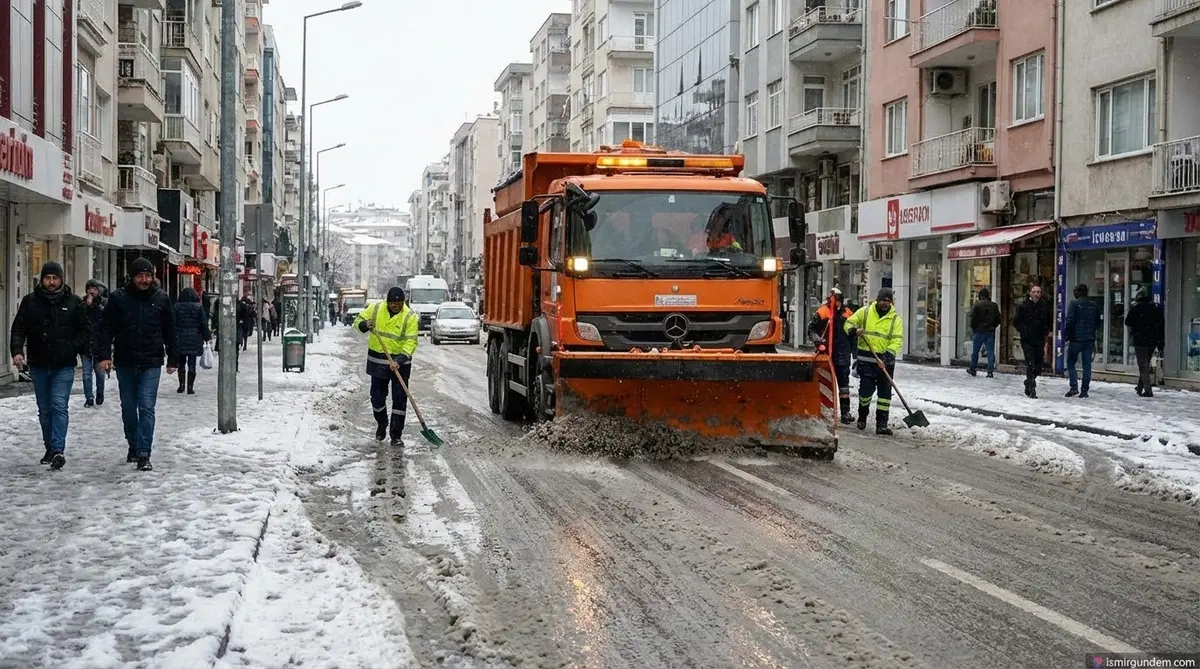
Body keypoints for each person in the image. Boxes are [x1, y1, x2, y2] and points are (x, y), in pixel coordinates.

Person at [9, 262, 90, 470]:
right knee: (45, 410)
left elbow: (85, 331)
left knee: (58, 406)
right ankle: (50, 446)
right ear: (42, 280)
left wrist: (72, 347)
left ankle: (57, 450)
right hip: (39, 364)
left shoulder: (74, 303)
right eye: (48, 278)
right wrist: (17, 351)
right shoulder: (30, 302)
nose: (51, 282)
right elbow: (18, 329)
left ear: (62, 279)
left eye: (55, 278)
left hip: (63, 365)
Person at [98, 257, 177, 471]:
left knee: (147, 406)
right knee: (129, 407)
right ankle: (133, 443)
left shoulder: (161, 299)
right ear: (132, 277)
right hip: (125, 360)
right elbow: (105, 328)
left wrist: (173, 357)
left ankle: (144, 452)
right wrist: (104, 355)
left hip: (151, 361)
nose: (144, 280)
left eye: (148, 276)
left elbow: (170, 329)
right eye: (140, 276)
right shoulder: (118, 299)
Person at [354, 286, 419, 445]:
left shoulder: (410, 316)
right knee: (377, 398)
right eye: (393, 302)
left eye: (399, 303)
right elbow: (357, 322)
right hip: (377, 362)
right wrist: (365, 324)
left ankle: (396, 435)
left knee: (399, 399)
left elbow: (411, 341)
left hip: (400, 364)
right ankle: (382, 423)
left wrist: (400, 359)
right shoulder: (375, 309)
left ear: (404, 302)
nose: (396, 305)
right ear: (387, 301)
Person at [844, 288, 904, 435]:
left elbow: (897, 339)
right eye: (883, 300)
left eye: (888, 301)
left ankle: (882, 424)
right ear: (877, 300)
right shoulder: (864, 312)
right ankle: (862, 416)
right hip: (866, 360)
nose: (885, 304)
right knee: (866, 391)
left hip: (885, 361)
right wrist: (854, 331)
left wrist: (888, 355)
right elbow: (848, 323)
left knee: (885, 394)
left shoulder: (895, 319)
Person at [809, 287, 856, 424]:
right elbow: (811, 330)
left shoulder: (848, 314)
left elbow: (853, 336)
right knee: (824, 384)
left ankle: (845, 412)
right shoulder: (822, 312)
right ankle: (825, 412)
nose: (836, 303)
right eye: (834, 300)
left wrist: (855, 354)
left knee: (844, 386)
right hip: (825, 354)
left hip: (843, 354)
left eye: (838, 300)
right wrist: (818, 341)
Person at [1012, 282, 1052, 399]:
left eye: (1038, 292)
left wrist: (1047, 330)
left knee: (1039, 365)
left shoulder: (1044, 305)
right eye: (1034, 292)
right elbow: (1016, 321)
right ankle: (1032, 389)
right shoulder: (1023, 305)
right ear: (1030, 293)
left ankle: (1029, 381)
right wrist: (1023, 330)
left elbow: (1048, 320)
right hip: (1027, 339)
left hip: (1039, 338)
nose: (1036, 294)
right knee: (1031, 363)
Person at [1125, 287, 1165, 397]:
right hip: (1152, 340)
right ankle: (1140, 387)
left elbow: (1127, 322)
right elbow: (1161, 325)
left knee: (1142, 365)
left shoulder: (1136, 308)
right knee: (1145, 364)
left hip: (1140, 340)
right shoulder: (1155, 309)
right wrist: (1161, 342)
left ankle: (1148, 390)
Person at [1063, 283, 1100, 398]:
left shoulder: (1074, 304)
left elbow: (1069, 321)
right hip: (1089, 339)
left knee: (1070, 363)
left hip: (1076, 339)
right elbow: (1098, 322)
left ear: (1078, 293)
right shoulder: (1093, 305)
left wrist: (1066, 336)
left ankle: (1074, 387)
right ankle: (1084, 390)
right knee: (1087, 365)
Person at [173, 287, 211, 394]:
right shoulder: (199, 307)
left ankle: (181, 385)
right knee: (192, 363)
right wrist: (206, 336)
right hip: (194, 338)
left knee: (181, 362)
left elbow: (173, 324)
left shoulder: (176, 307)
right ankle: (190, 387)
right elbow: (203, 324)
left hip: (180, 338)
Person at [82, 279, 108, 406]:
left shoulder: (103, 304)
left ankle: (100, 393)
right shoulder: (81, 303)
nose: (91, 291)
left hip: (99, 344)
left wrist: (95, 305)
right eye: (89, 289)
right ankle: (89, 398)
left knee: (100, 373)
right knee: (86, 373)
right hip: (85, 344)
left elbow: (105, 322)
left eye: (94, 289)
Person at [966, 287, 1001, 378]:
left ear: (980, 296)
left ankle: (973, 368)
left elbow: (972, 318)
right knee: (990, 352)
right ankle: (990, 371)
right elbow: (998, 319)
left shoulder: (977, 305)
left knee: (975, 351)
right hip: (990, 331)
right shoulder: (994, 305)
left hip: (978, 331)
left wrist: (974, 328)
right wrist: (993, 326)